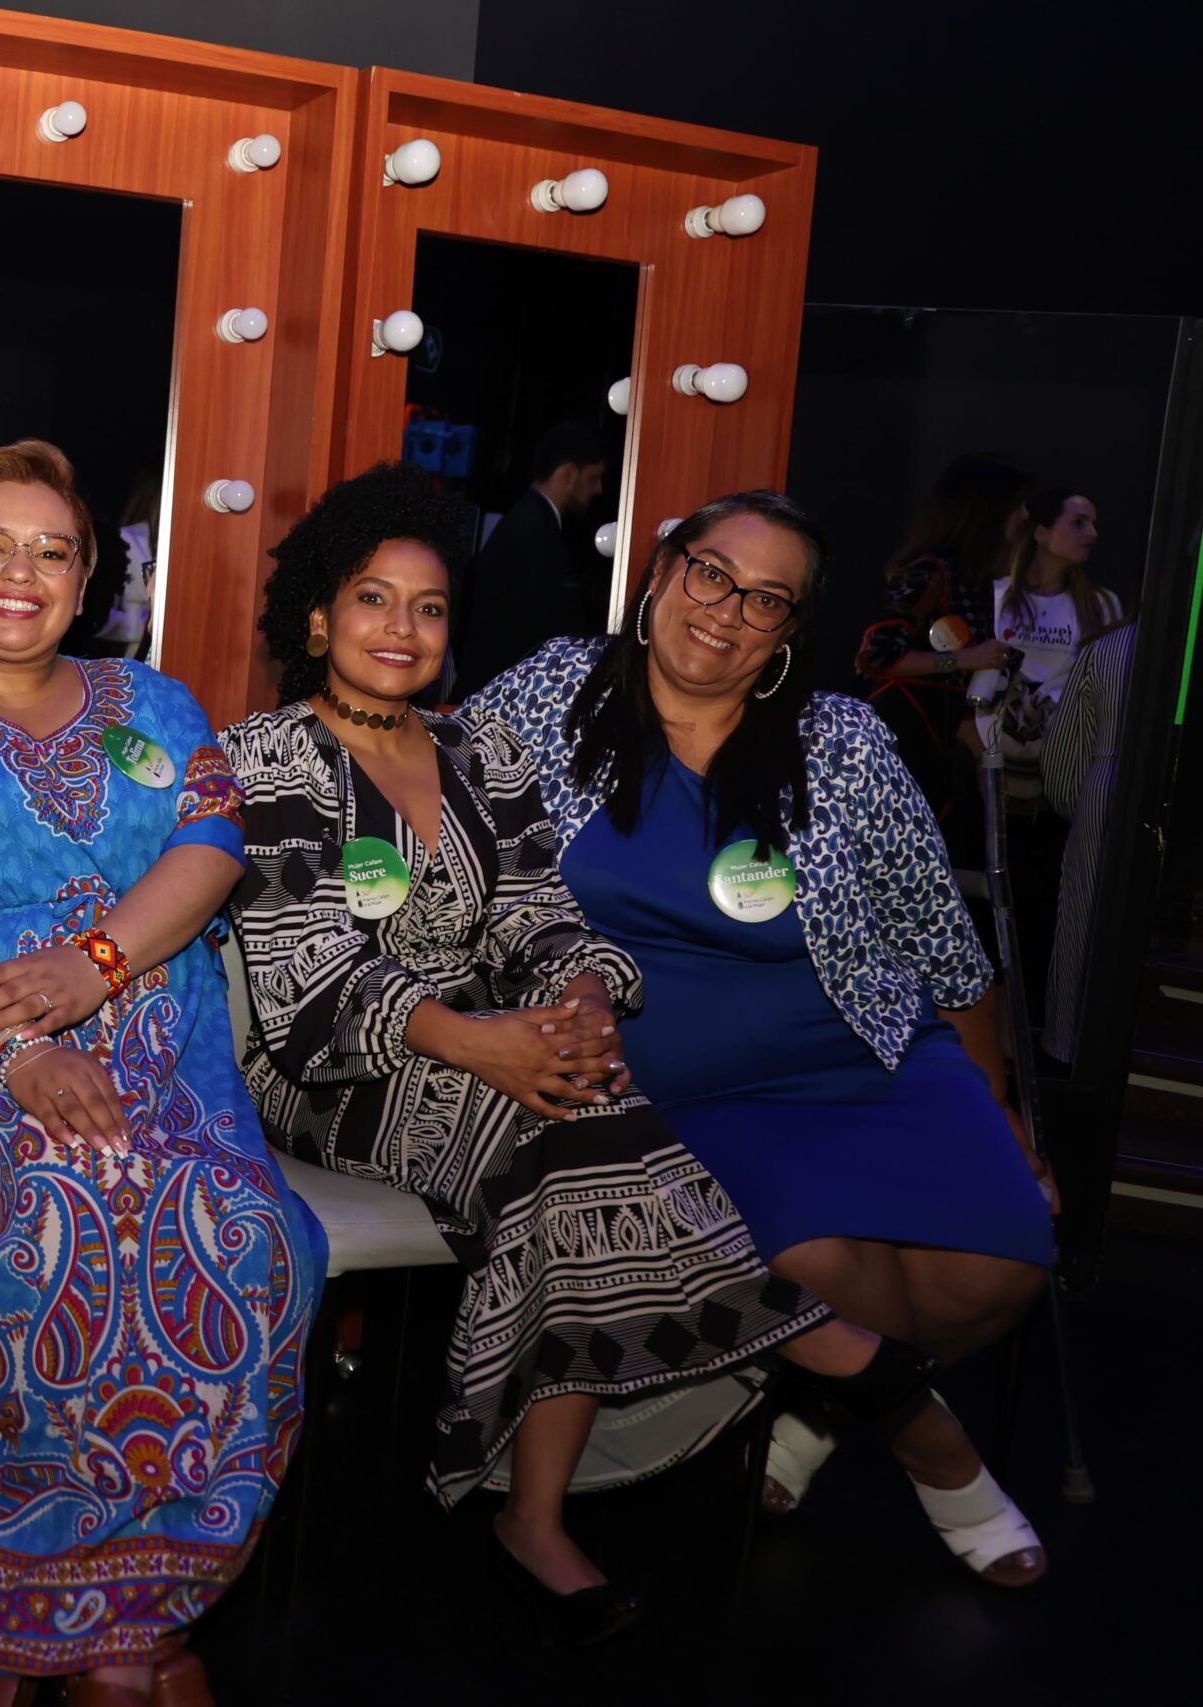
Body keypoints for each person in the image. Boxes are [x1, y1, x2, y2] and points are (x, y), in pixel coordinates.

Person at [225, 462, 916, 1645]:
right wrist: (481, 1043)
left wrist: (587, 991)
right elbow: (305, 980)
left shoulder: (480, 755)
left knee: (581, 1129)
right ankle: (791, 1329)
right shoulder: (267, 758)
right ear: (316, 618)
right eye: (374, 600)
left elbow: (541, 916)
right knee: (575, 1123)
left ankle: (532, 1517)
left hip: (492, 1045)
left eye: (430, 608)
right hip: (333, 1071)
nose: (403, 629)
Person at [465, 490, 1058, 1589]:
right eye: (710, 573)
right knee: (808, 1260)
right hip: (662, 1083)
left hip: (858, 1052)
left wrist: (997, 1107)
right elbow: (449, 845)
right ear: (659, 573)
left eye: (766, 600)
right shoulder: (551, 690)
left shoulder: (841, 743)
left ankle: (827, 1417)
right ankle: (931, 1446)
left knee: (1002, 1258)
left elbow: (939, 939)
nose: (726, 611)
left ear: (788, 634)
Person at [0, 440, 317, 1705]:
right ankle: (23, 1608)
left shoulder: (154, 704)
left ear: (89, 582)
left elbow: (210, 852)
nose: (17, 572)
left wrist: (94, 970)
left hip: (162, 1029)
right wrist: (25, 1048)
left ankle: (138, 1618)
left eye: (52, 551)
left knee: (243, 1235)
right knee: (53, 1225)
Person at [982, 487, 1123, 1003]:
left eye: (1093, 524)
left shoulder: (1101, 605)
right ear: (1042, 531)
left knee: (1040, 909)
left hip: (1058, 787)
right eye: (1078, 522)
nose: (1092, 534)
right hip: (989, 778)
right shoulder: (997, 595)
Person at [854, 452, 1034, 840]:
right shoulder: (931, 571)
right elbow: (876, 656)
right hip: (895, 750)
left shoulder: (975, 579)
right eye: (1017, 505)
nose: (1025, 516)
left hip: (933, 756)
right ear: (985, 510)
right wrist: (968, 657)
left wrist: (984, 763)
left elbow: (960, 690)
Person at [451, 418, 613, 700]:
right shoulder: (535, 529)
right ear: (569, 473)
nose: (599, 489)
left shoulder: (526, 519)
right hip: (501, 698)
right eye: (594, 477)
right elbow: (544, 629)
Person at [1040, 621, 1139, 1066]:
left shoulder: (1108, 648)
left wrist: (1080, 810)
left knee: (1084, 923)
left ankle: (1068, 1051)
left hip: (1103, 791)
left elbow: (1063, 757)